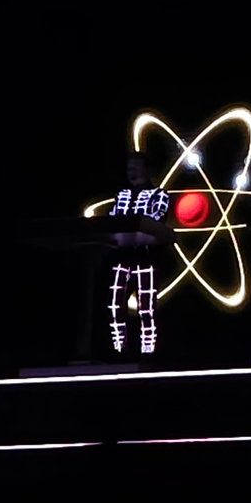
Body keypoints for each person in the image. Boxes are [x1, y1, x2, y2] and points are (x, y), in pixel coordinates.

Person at [107, 151, 170, 354]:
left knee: (146, 307)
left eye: (136, 164)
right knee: (115, 305)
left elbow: (156, 220)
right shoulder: (121, 196)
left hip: (146, 255)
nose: (131, 168)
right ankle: (119, 349)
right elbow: (111, 220)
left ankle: (148, 350)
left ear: (147, 169)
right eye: (129, 165)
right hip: (122, 255)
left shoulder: (159, 195)